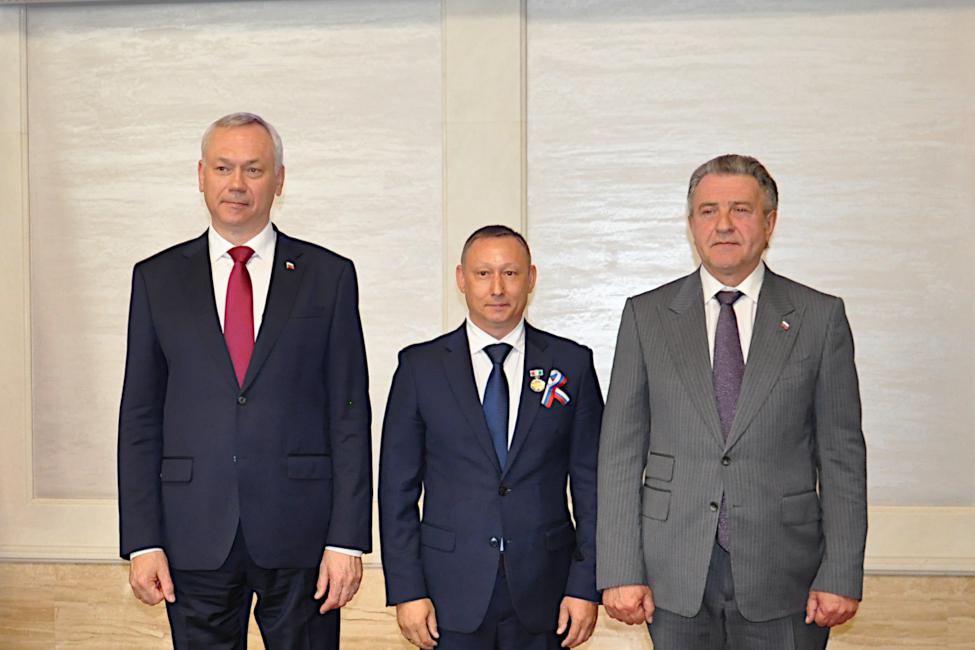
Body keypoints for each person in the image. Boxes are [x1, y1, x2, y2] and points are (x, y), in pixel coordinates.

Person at [117, 112, 372, 649]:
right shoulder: (156, 279)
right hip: (192, 535)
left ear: (279, 180)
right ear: (201, 176)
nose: (237, 183)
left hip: (302, 536)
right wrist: (142, 541)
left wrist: (347, 540)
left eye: (253, 169)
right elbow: (139, 417)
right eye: (223, 167)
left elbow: (349, 414)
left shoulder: (328, 276)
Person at [597, 154, 867, 649]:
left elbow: (842, 457)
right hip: (673, 576)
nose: (723, 224)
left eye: (740, 210)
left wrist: (841, 573)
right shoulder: (646, 316)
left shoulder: (819, 317)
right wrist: (619, 569)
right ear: (691, 224)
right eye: (708, 211)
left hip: (786, 576)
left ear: (770, 222)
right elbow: (620, 452)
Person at [379, 226, 602, 649]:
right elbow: (396, 491)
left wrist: (584, 585)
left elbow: (593, 487)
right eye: (483, 274)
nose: (497, 288)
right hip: (448, 594)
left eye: (510, 273)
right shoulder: (419, 368)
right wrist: (407, 590)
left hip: (547, 592)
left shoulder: (572, 364)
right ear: (461, 279)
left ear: (531, 278)